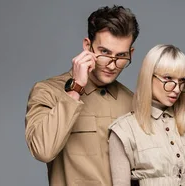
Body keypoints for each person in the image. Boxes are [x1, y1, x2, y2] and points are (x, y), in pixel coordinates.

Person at [24, 5, 139, 185]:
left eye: (121, 56)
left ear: (130, 53)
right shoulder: (48, 91)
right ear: (87, 46)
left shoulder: (133, 101)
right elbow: (43, 150)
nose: (112, 64)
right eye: (104, 52)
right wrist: (76, 89)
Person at [108, 44, 185, 186]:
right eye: (168, 78)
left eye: (181, 81)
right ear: (149, 77)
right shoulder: (124, 129)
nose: (176, 89)